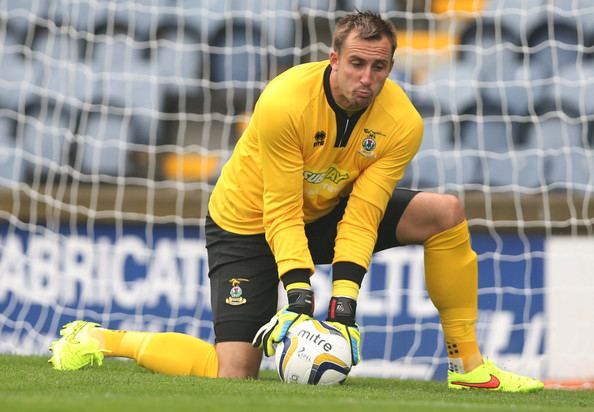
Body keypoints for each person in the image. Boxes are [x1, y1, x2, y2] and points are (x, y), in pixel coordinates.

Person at [49, 11, 543, 392]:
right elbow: (279, 211)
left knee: (445, 213)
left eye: (378, 67)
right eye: (356, 64)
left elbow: (364, 213)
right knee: (235, 374)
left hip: (327, 212)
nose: (366, 78)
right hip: (247, 221)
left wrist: (343, 307)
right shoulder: (285, 102)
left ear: (391, 67)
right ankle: (100, 339)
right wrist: (301, 300)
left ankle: (467, 366)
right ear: (333, 60)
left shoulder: (403, 122)